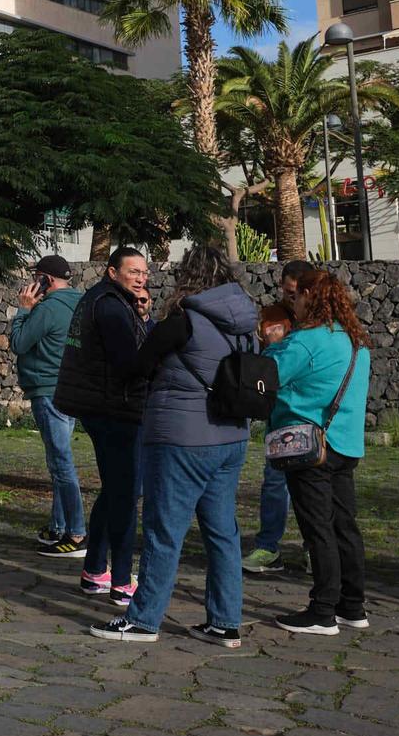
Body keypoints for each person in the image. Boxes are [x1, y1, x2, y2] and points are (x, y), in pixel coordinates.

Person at [93, 245, 256, 648]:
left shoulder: (183, 322)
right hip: (231, 436)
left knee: (164, 531)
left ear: (191, 278)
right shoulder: (246, 324)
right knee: (222, 533)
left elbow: (136, 366)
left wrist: (145, 323)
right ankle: (224, 622)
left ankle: (145, 618)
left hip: (181, 439)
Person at [265, 271, 371, 635]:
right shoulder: (356, 340)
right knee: (345, 526)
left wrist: (270, 342)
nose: (292, 303)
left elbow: (267, 373)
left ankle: (322, 610)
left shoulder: (307, 341)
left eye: (296, 297)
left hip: (309, 445)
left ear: (310, 295)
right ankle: (352, 606)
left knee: (318, 528)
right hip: (346, 443)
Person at [53, 245, 150, 607]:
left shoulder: (103, 299)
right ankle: (122, 579)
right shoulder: (110, 307)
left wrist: (140, 315)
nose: (140, 278)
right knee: (125, 495)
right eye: (133, 271)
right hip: (116, 409)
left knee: (115, 490)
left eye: (144, 272)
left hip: (100, 405)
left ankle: (95, 569)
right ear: (113, 272)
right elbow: (130, 361)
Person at [13, 255, 87, 558]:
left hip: (47, 389)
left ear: (45, 279)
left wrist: (24, 310)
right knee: (59, 460)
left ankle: (77, 533)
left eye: (37, 278)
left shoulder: (47, 308)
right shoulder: (81, 304)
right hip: (71, 390)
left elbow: (19, 343)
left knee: (61, 464)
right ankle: (58, 525)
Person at [244, 260, 315, 575]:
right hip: (281, 413)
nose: (293, 298)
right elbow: (260, 367)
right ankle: (267, 547)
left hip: (314, 410)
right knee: (275, 483)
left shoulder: (321, 319)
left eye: (298, 293)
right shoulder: (270, 317)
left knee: (316, 486)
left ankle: (316, 546)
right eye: (288, 292)